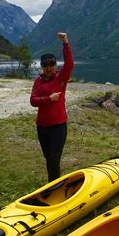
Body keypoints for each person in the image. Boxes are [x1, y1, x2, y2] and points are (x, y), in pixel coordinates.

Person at [30, 32, 74, 182]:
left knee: (54, 159)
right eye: (45, 65)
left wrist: (65, 43)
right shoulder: (38, 82)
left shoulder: (61, 78)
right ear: (42, 66)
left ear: (55, 65)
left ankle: (53, 188)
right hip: (42, 126)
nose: (48, 68)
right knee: (49, 158)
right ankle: (54, 185)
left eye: (51, 65)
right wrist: (49, 99)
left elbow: (70, 64)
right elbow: (33, 101)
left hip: (58, 126)